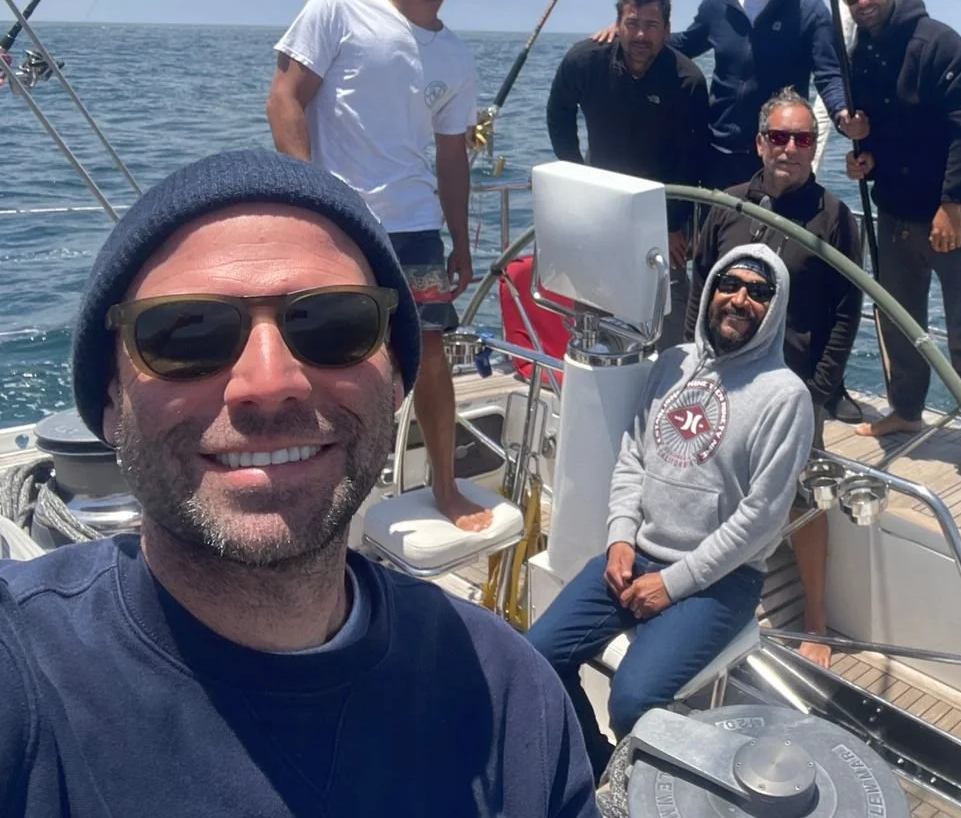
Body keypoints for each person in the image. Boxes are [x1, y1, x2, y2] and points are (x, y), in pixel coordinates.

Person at [0, 150, 597, 818]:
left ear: (397, 380)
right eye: (184, 334)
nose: (268, 384)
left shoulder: (508, 694)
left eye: (334, 324)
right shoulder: (23, 673)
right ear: (110, 398)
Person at [528, 244, 812, 780]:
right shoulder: (671, 364)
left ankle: (660, 789)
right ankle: (597, 772)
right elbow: (633, 456)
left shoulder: (785, 397)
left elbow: (761, 519)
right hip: (635, 555)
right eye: (730, 284)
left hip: (720, 581)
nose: (740, 298)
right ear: (709, 292)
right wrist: (618, 538)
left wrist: (674, 583)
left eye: (759, 291)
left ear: (775, 308)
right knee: (535, 656)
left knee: (632, 699)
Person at [267, 0, 489, 531]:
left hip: (417, 230)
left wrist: (461, 242)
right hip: (337, 223)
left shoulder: (456, 57)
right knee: (327, 358)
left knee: (431, 355)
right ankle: (312, 495)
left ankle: (446, 488)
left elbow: (452, 158)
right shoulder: (337, 8)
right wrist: (314, 201)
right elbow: (285, 100)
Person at [690, 87, 862, 668]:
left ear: (815, 147)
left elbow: (846, 310)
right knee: (715, 482)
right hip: (724, 377)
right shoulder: (727, 206)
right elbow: (701, 291)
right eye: (780, 137)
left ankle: (816, 618)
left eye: (803, 138)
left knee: (803, 500)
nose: (790, 148)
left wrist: (821, 390)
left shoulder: (835, 218)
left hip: (795, 385)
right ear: (760, 142)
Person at [838, 0, 961, 490]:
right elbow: (878, 130)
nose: (863, 1)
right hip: (894, 213)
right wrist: (864, 156)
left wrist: (952, 203)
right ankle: (906, 409)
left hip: (950, 218)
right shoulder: (863, 52)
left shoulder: (941, 44)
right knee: (899, 324)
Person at [593, 0, 848, 188]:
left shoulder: (810, 11)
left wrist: (842, 114)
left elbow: (829, 76)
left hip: (777, 157)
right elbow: (682, 45)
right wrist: (630, 32)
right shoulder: (718, 3)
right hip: (717, 156)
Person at [547, 0, 710, 338]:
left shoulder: (688, 80)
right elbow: (558, 115)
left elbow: (693, 158)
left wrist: (673, 224)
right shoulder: (584, 60)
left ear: (667, 30)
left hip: (662, 208)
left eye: (651, 26)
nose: (640, 35)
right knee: (594, 309)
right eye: (632, 24)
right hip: (600, 203)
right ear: (617, 26)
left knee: (665, 315)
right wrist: (577, 180)